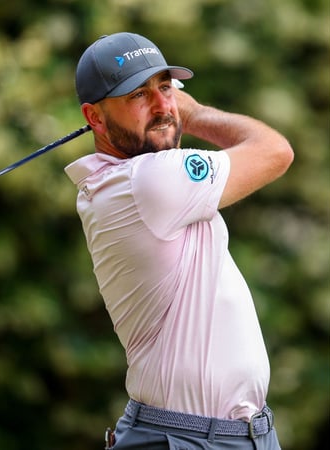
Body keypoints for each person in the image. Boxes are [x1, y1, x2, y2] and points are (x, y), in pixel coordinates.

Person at [65, 32, 293, 450]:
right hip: (185, 438)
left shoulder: (124, 180)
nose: (162, 106)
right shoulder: (148, 180)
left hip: (240, 435)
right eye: (137, 94)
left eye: (165, 87)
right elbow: (275, 151)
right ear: (94, 118)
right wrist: (197, 113)